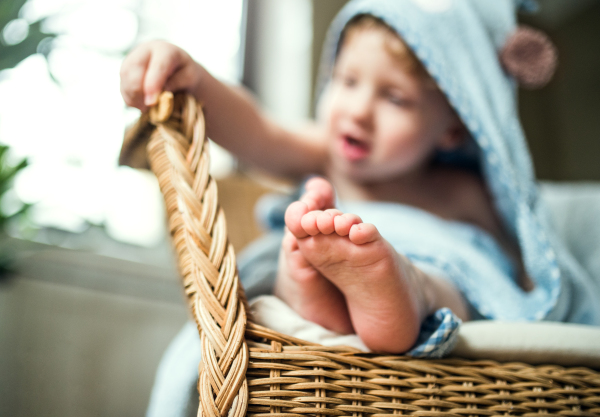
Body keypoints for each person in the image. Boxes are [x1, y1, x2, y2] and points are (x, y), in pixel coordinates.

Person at [121, 0, 600, 359]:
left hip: (435, 280)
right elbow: (259, 131)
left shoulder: (466, 191)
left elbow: (518, 267)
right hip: (338, 260)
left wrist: (521, 278)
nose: (358, 111)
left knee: (445, 283)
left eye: (395, 98)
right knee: (310, 248)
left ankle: (395, 286)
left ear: (454, 127)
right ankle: (312, 284)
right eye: (347, 80)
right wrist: (197, 81)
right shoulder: (326, 154)